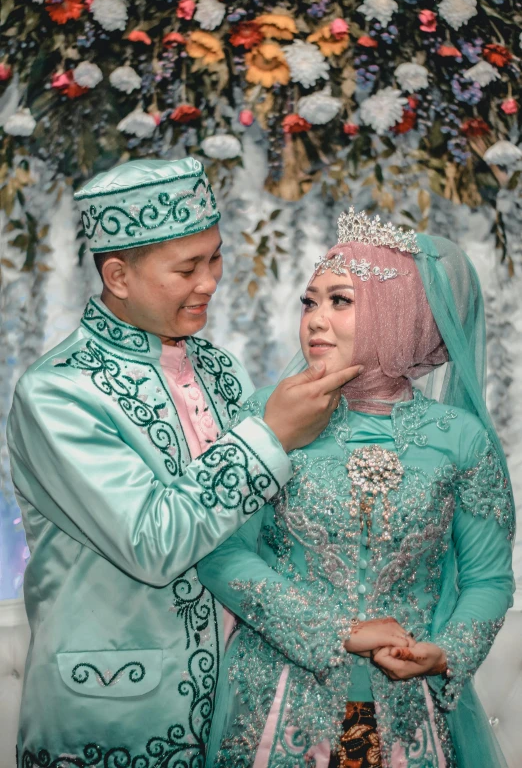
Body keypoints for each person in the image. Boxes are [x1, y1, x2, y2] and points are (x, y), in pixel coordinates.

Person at [6, 158, 361, 767]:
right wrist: (271, 433)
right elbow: (153, 541)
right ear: (118, 275)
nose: (210, 282)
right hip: (117, 714)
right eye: (187, 268)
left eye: (215, 257)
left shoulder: (219, 368)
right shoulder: (58, 392)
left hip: (238, 706)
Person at [198, 208, 515, 768]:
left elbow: (487, 578)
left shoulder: (459, 439)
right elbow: (223, 555)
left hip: (407, 716)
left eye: (341, 300)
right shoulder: (271, 414)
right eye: (310, 301)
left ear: (404, 315)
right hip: (275, 706)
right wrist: (341, 632)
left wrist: (444, 652)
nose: (316, 320)